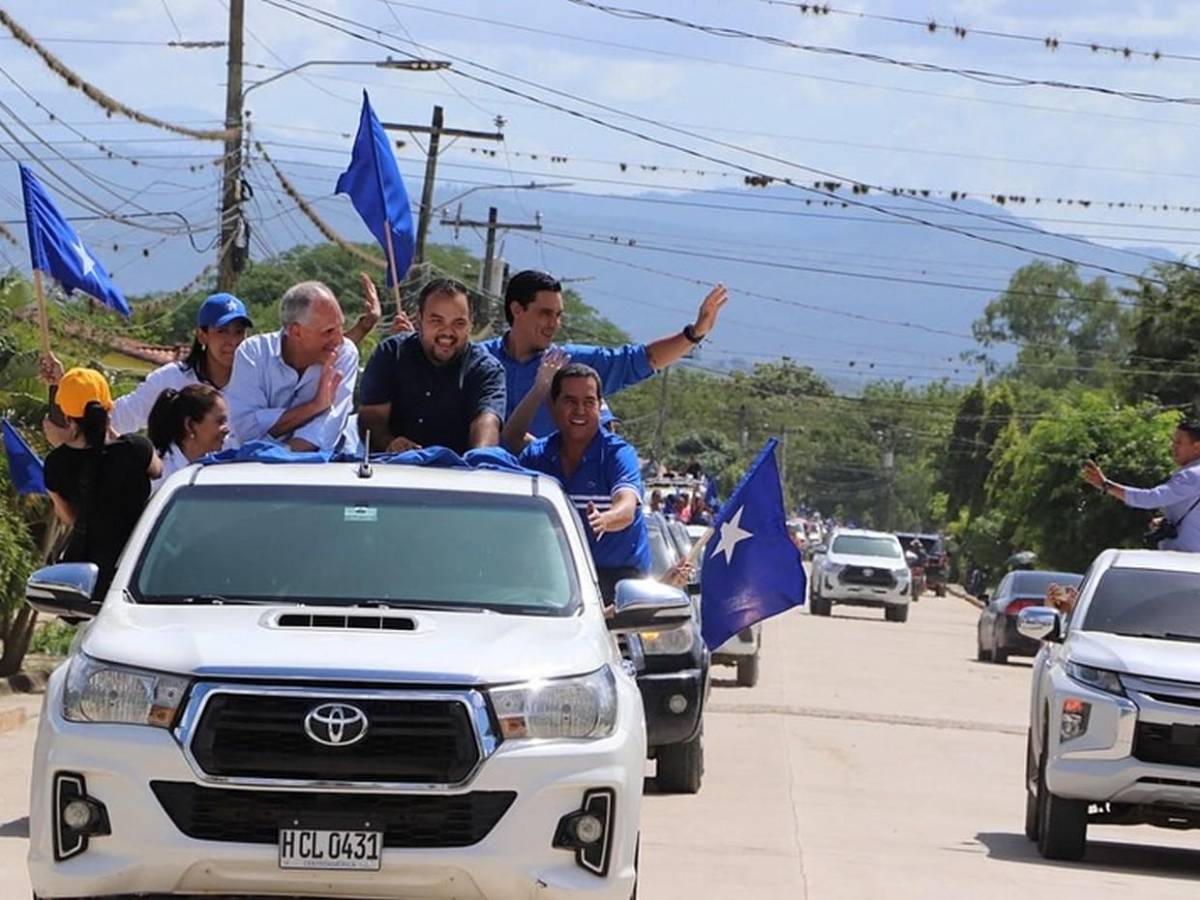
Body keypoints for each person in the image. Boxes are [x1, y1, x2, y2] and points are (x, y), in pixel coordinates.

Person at [484, 269, 729, 442]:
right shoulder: (477, 359)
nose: (554, 324)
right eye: (545, 313)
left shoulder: (570, 363)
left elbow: (643, 360)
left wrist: (695, 333)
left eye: (558, 315)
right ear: (517, 310)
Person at [516, 363, 651, 600]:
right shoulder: (536, 456)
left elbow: (627, 507)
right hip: (550, 583)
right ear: (553, 406)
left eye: (589, 402)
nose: (580, 410)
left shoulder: (618, 454)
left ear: (599, 407)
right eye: (570, 401)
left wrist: (605, 519)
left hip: (617, 584)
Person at [42, 367, 162, 600]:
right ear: (109, 407)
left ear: (67, 418)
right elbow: (157, 471)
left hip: (92, 585)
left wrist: (63, 445)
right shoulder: (137, 448)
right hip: (142, 570)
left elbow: (70, 518)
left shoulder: (56, 464)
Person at [358, 279, 506, 454]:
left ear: (470, 323)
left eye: (458, 323)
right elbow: (371, 417)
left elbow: (486, 423)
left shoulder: (487, 370)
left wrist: (480, 459)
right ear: (419, 320)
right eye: (437, 321)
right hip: (390, 469)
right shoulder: (391, 353)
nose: (447, 332)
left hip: (459, 475)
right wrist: (389, 443)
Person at [223, 280, 358, 452]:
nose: (339, 340)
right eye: (329, 331)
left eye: (341, 328)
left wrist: (282, 457)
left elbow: (327, 429)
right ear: (296, 331)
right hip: (251, 471)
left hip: (315, 472)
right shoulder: (253, 353)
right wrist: (315, 406)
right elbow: (246, 430)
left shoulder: (344, 354)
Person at [1084, 422, 1200, 551]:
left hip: (1186, 560)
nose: (1172, 447)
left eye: (1179, 442)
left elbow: (1152, 498)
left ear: (1197, 447)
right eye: (1173, 441)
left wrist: (1106, 485)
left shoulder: (1192, 475)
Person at [145, 384, 230, 492]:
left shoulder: (218, 466)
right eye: (220, 421)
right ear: (190, 425)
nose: (227, 429)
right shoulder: (159, 475)